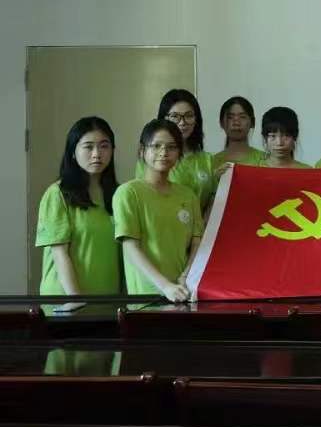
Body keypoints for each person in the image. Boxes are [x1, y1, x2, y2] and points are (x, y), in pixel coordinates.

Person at [115, 119, 203, 302]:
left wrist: (186, 276)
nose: (164, 153)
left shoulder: (188, 195)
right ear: (142, 151)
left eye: (171, 147)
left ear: (179, 152)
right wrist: (165, 286)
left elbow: (196, 243)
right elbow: (130, 247)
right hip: (146, 297)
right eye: (156, 146)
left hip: (183, 293)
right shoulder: (128, 192)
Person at [36, 116, 121, 295]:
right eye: (88, 147)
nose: (97, 154)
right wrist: (75, 299)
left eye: (104, 146)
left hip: (107, 299)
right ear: (73, 152)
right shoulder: (58, 193)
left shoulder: (119, 194)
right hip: (66, 299)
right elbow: (59, 253)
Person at [136, 89, 216, 212]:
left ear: (196, 119)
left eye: (189, 116)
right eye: (175, 116)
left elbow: (214, 200)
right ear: (163, 119)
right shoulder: (151, 158)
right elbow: (144, 199)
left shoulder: (208, 159)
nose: (182, 122)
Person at [213, 96, 265, 169]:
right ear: (221, 123)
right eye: (230, 117)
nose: (236, 123)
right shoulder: (211, 163)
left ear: (252, 122)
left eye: (242, 117)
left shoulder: (264, 161)